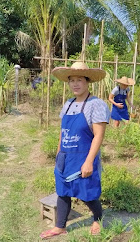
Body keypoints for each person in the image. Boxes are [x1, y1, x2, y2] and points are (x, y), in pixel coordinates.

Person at [40, 62, 110, 239]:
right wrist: (58, 155)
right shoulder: (68, 104)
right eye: (72, 80)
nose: (75, 84)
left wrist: (88, 161)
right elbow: (62, 133)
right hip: (65, 157)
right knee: (63, 191)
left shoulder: (96, 104)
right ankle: (60, 227)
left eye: (79, 79)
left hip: (84, 156)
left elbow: (98, 136)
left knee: (87, 192)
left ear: (87, 82)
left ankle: (97, 218)